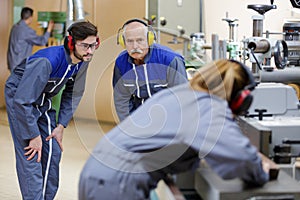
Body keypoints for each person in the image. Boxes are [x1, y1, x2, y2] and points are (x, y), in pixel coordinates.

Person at [79, 59, 277, 200]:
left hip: (96, 172)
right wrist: (262, 172)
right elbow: (241, 158)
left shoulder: (178, 94)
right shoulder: (208, 107)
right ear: (240, 99)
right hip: (117, 184)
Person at [5, 21, 99, 200]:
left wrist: (61, 125)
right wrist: (33, 135)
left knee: (53, 151)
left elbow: (74, 93)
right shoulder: (46, 61)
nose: (90, 51)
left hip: (42, 98)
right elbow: (23, 100)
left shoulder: (82, 61)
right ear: (71, 43)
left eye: (94, 45)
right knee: (32, 153)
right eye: (85, 46)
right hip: (20, 97)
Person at [113, 18, 188, 122]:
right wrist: (130, 126)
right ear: (123, 42)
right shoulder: (121, 62)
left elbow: (182, 98)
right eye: (130, 41)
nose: (135, 46)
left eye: (140, 40)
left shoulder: (170, 60)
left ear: (149, 40)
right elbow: (122, 99)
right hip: (140, 118)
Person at [7, 7, 54, 72]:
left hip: (12, 62)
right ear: (30, 17)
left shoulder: (15, 27)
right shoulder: (26, 30)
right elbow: (42, 41)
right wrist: (49, 29)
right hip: (19, 65)